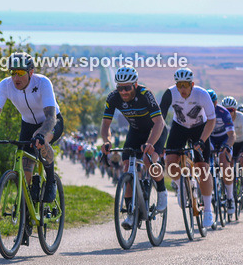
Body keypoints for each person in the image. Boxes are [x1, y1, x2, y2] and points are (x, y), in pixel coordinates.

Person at [0, 52, 63, 204]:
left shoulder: (43, 83)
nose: (15, 78)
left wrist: (41, 135)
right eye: (13, 72)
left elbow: (51, 117)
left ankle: (51, 180)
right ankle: (26, 219)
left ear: (31, 72)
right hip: (27, 125)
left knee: (41, 140)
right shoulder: (5, 85)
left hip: (51, 122)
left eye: (20, 73)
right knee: (25, 175)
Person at [98, 66, 168, 228]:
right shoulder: (113, 97)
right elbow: (105, 125)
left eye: (127, 88)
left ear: (135, 85)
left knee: (148, 159)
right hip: (135, 132)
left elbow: (159, 122)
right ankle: (130, 213)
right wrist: (106, 141)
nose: (123, 92)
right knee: (126, 167)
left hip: (155, 131)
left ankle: (162, 191)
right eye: (120, 88)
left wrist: (150, 143)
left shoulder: (145, 94)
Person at [159, 68, 217, 228]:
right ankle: (182, 187)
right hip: (179, 127)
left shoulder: (202, 94)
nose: (182, 89)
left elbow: (211, 120)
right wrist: (158, 142)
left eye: (185, 85)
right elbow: (160, 119)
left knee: (202, 168)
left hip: (200, 128)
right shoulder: (170, 93)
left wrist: (202, 140)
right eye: (179, 85)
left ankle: (207, 210)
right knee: (170, 162)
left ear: (192, 84)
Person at [206, 90, 236, 209]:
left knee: (224, 163)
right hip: (211, 139)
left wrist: (227, 145)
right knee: (206, 166)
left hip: (224, 138)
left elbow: (232, 135)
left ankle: (230, 197)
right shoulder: (200, 112)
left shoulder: (223, 112)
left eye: (211, 103)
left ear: (216, 102)